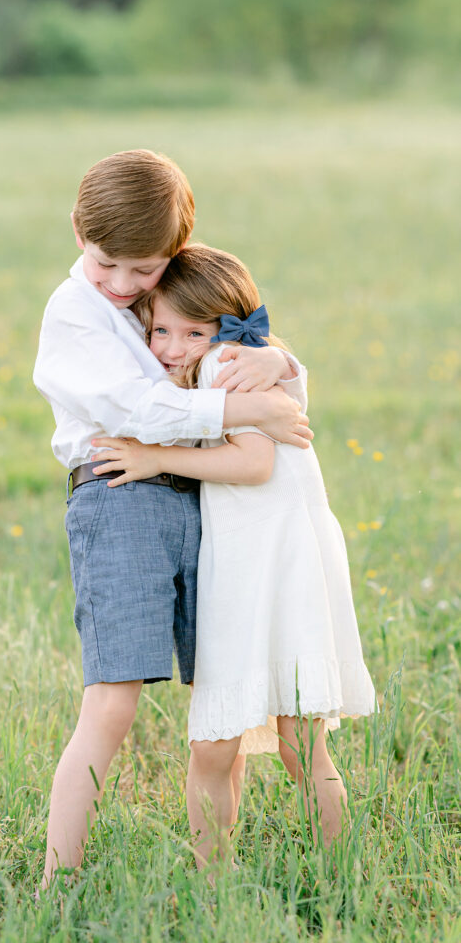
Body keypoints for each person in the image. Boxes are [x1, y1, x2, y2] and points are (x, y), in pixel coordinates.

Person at [33, 151, 314, 888]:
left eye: (144, 269)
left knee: (223, 697)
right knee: (114, 701)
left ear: (176, 251)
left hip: (206, 496)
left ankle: (214, 874)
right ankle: (59, 879)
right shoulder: (74, 313)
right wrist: (248, 408)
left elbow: (243, 346)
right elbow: (136, 411)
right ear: (77, 231)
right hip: (121, 490)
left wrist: (281, 374)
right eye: (106, 265)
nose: (123, 284)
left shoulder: (172, 299)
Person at [90, 243, 376, 867]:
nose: (170, 346)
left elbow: (253, 462)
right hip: (280, 557)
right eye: (159, 328)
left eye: (192, 332)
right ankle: (331, 872)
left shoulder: (226, 364)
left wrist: (154, 457)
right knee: (299, 743)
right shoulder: (234, 362)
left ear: (226, 329)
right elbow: (289, 379)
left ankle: (223, 880)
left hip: (270, 564)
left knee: (227, 748)